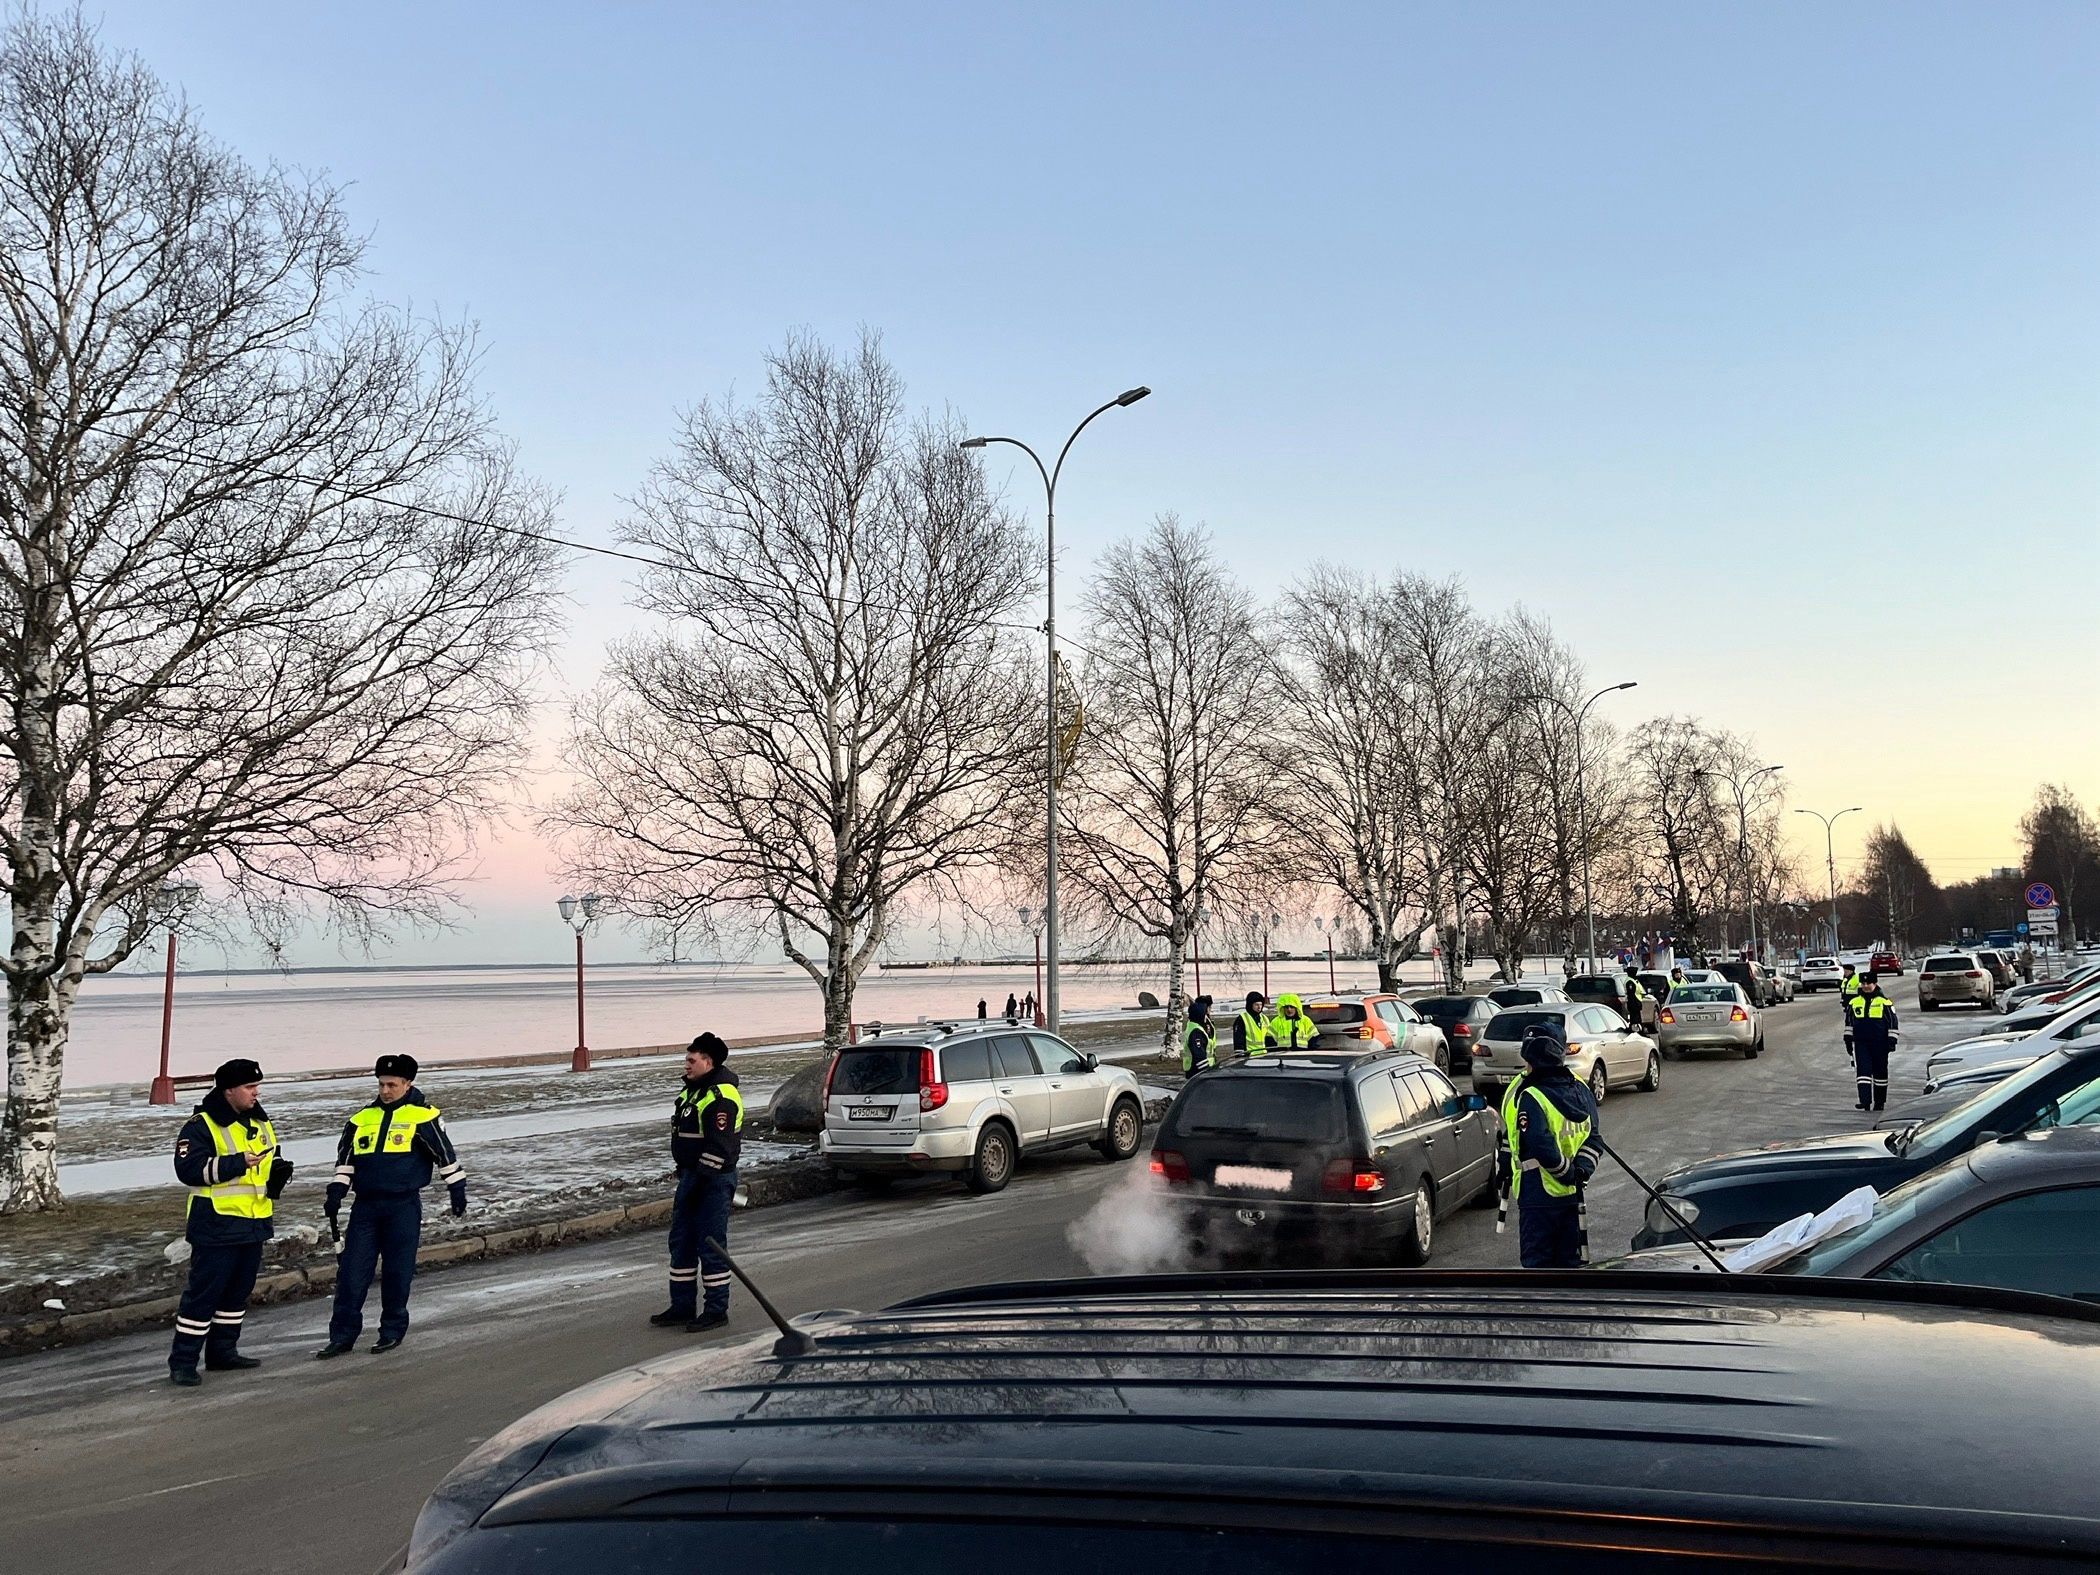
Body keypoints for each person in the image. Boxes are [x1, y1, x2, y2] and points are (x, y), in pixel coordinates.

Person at [313, 1054, 466, 1360]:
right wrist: (336, 1191)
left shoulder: (424, 1117)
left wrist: (456, 1189)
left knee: (397, 1274)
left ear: (408, 1084)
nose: (385, 1090)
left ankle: (391, 1331)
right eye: (381, 1084)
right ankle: (342, 1336)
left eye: (392, 1084)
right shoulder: (360, 1119)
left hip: (403, 1207)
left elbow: (445, 1156)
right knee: (351, 1276)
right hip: (366, 1208)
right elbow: (346, 1162)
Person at [168, 1059, 285, 1387]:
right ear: (228, 1090)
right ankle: (183, 1362)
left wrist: (278, 1173)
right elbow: (189, 1170)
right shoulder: (201, 1125)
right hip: (216, 1223)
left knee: (237, 1293)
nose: (256, 1093)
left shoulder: (259, 1120)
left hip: (254, 1221)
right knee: (204, 1295)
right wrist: (236, 1163)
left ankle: (222, 1352)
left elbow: (268, 1160)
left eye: (257, 1086)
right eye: (250, 1087)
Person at [651, 1033, 744, 1333]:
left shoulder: (721, 1097)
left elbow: (721, 1148)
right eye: (686, 1060)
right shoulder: (692, 1093)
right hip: (692, 1177)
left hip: (713, 1180)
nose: (686, 1065)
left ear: (709, 1061)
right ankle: (682, 1306)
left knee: (711, 1243)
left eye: (692, 1060)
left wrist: (699, 1182)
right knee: (682, 1242)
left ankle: (716, 1309)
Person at [1495, 1021, 1601, 1268]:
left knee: (1538, 1269)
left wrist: (1566, 1172)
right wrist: (1580, 1171)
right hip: (1572, 1192)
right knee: (1570, 1264)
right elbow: (1593, 1138)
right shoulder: (1579, 1088)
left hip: (1537, 1192)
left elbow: (1536, 1141)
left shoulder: (1528, 1093)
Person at [1847, 973, 1899, 1112]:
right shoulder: (1854, 1002)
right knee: (1863, 1072)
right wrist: (1848, 1039)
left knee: (1880, 1073)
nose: (1865, 986)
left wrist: (1892, 1040)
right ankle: (1865, 1101)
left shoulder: (1885, 1002)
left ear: (1874, 984)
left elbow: (1893, 1022)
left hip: (1880, 1042)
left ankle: (1879, 1102)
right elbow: (1849, 1023)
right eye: (1863, 984)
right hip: (1861, 1042)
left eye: (1868, 984)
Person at [1181, 995, 1217, 1074]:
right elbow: (1199, 1054)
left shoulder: (1204, 1024)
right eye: (1208, 1008)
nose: (1210, 1010)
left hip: (1206, 1067)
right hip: (1197, 1070)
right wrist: (1206, 1071)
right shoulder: (1196, 1031)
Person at [1234, 991, 1271, 1059]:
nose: (1259, 1007)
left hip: (1265, 1056)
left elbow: (1269, 1039)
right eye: (1256, 1005)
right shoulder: (1242, 1019)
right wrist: (1240, 1057)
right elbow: (1238, 1041)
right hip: (1250, 1057)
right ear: (1250, 1005)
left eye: (1261, 1004)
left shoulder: (1265, 1018)